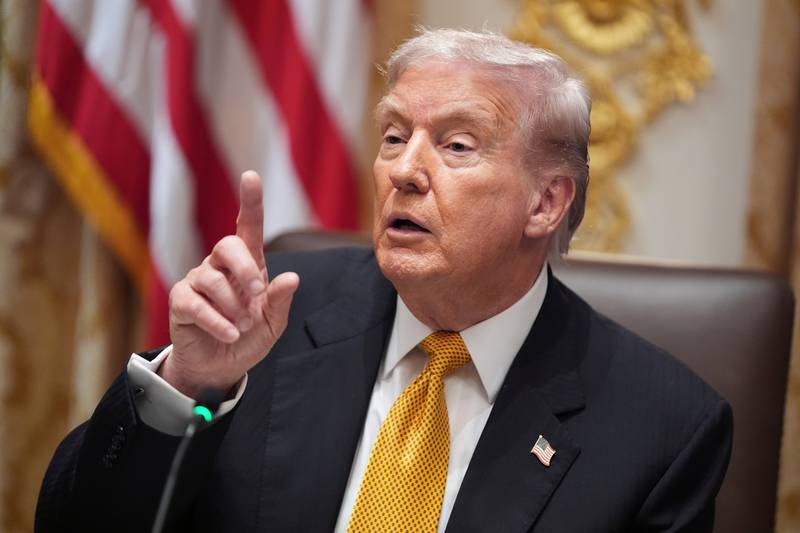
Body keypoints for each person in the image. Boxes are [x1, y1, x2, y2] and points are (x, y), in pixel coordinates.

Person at [36, 29, 732, 532]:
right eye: (395, 136)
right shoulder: (269, 316)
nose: (404, 169)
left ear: (546, 203)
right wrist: (187, 385)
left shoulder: (663, 427)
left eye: (456, 145)